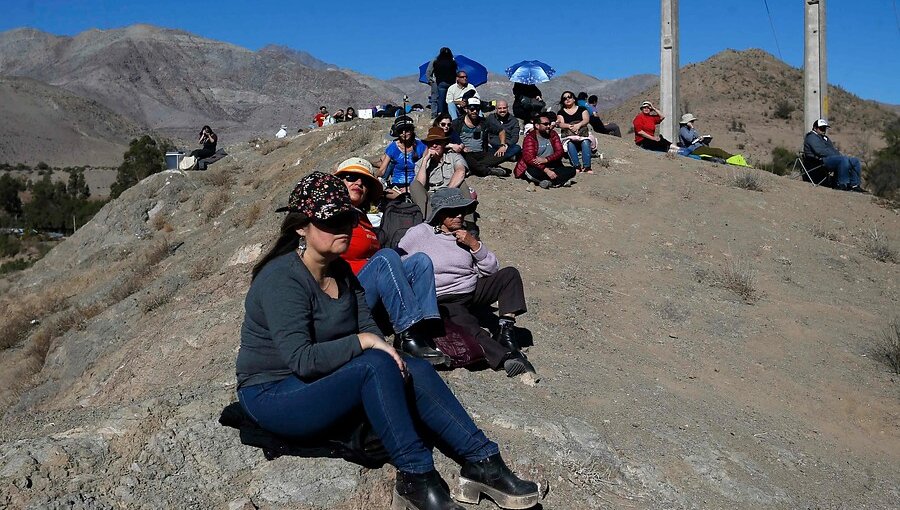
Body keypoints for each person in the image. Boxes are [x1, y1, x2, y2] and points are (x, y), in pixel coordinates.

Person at [236, 171, 538, 510]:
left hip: (319, 380)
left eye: (348, 217)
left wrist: (388, 355)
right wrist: (367, 344)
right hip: (273, 393)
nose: (344, 226)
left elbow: (365, 320)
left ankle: (482, 461)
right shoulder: (282, 278)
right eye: (331, 219)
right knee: (376, 363)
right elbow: (302, 360)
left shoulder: (340, 271)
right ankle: (416, 476)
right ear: (300, 227)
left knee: (408, 363)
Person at [399, 188, 537, 378]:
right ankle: (506, 358)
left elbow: (491, 270)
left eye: (462, 211)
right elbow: (400, 262)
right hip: (445, 298)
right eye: (453, 212)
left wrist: (474, 245)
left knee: (509, 275)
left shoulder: (466, 235)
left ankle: (506, 331)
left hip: (472, 289)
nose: (459, 215)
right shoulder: (420, 233)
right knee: (470, 328)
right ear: (440, 213)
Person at [334, 158, 449, 365]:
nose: (358, 184)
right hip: (348, 295)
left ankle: (424, 329)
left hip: (369, 291)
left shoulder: (364, 220)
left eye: (364, 182)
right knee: (386, 257)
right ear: (339, 182)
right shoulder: (333, 216)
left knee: (420, 261)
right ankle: (408, 335)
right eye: (351, 178)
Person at [410, 127, 476, 222]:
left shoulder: (453, 157)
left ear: (444, 144)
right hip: (431, 197)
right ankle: (427, 221)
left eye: (438, 142)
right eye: (431, 143)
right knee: (414, 185)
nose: (434, 145)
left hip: (451, 194)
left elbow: (461, 171)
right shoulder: (421, 163)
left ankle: (469, 223)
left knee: (463, 184)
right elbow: (420, 184)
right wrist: (425, 161)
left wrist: (446, 193)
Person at [803, 119, 868, 192]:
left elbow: (832, 149)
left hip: (830, 158)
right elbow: (820, 151)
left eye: (825, 128)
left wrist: (837, 154)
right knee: (842, 160)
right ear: (815, 128)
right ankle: (842, 184)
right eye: (821, 128)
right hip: (818, 161)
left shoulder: (825, 138)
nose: (823, 130)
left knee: (855, 161)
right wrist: (836, 155)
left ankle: (855, 185)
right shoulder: (811, 137)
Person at [515, 112, 575, 188]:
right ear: (537, 125)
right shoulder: (530, 138)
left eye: (549, 124)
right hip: (537, 166)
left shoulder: (553, 134)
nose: (549, 126)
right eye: (545, 124)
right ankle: (558, 181)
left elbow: (560, 152)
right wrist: (546, 170)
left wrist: (546, 159)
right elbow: (529, 158)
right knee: (531, 172)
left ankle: (549, 182)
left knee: (572, 170)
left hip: (552, 164)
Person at [452, 98, 508, 177]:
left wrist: (502, 145)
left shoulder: (484, 122)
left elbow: (501, 131)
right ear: (466, 109)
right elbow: (448, 137)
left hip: (481, 153)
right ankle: (487, 171)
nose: (475, 111)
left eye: (477, 109)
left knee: (502, 155)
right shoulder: (457, 123)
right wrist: (459, 146)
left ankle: (472, 168)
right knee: (465, 158)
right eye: (472, 109)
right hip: (465, 153)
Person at [376, 116, 427, 199]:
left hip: (415, 185)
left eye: (407, 130)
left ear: (412, 130)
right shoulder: (392, 147)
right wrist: (373, 178)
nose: (404, 133)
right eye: (400, 131)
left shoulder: (421, 146)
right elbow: (382, 170)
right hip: (397, 187)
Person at [557, 91, 594, 174]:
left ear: (574, 99)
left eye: (569, 97)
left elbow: (586, 119)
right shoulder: (561, 112)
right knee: (569, 143)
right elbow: (560, 123)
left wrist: (578, 125)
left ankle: (587, 166)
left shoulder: (582, 109)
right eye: (564, 98)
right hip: (569, 135)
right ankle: (576, 166)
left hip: (582, 133)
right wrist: (569, 126)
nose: (567, 99)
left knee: (585, 142)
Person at [426, 47, 457, 118]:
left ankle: (436, 114)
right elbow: (456, 72)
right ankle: (447, 114)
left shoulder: (435, 60)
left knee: (436, 98)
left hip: (438, 82)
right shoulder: (452, 61)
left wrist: (430, 80)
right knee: (448, 99)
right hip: (451, 83)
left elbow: (428, 71)